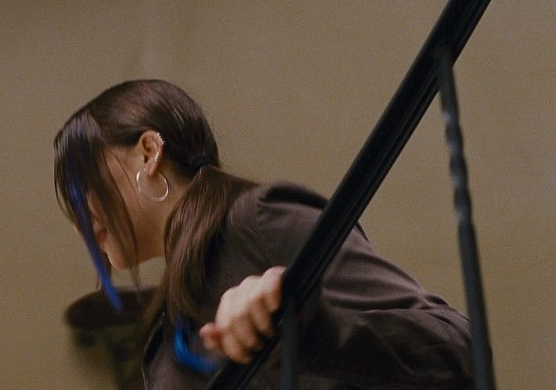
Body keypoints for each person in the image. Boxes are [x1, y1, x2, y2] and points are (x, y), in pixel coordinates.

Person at [53, 79, 473, 389]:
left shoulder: (256, 221)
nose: (78, 222)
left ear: (148, 152)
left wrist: (309, 325)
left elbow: (457, 345)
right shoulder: (162, 339)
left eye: (79, 188)